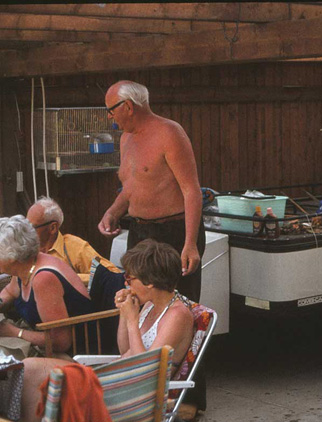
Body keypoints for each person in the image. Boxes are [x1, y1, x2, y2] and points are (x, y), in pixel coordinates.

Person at [19, 239, 195, 422]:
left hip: (135, 392)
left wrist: (133, 320)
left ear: (149, 282)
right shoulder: (150, 304)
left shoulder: (178, 315)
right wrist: (125, 315)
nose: (127, 284)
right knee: (29, 368)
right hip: (118, 379)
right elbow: (124, 349)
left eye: (129, 278)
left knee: (43, 377)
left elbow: (146, 370)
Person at [98, 80, 204, 303]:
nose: (109, 116)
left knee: (179, 303)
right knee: (138, 301)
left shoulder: (169, 133)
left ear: (128, 106)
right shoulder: (126, 139)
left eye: (111, 110)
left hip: (172, 232)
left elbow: (191, 190)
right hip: (139, 232)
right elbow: (131, 187)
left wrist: (190, 243)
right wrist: (113, 212)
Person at [0, 215, 93, 354]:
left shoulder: (43, 279)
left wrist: (13, 332)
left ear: (12, 257)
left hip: (75, 354)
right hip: (43, 346)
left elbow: (61, 342)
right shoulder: (26, 266)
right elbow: (9, 292)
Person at [27, 196, 120, 285]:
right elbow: (12, 276)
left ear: (53, 228)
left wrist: (70, 277)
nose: (26, 231)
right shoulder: (25, 246)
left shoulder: (74, 247)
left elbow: (113, 274)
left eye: (32, 227)